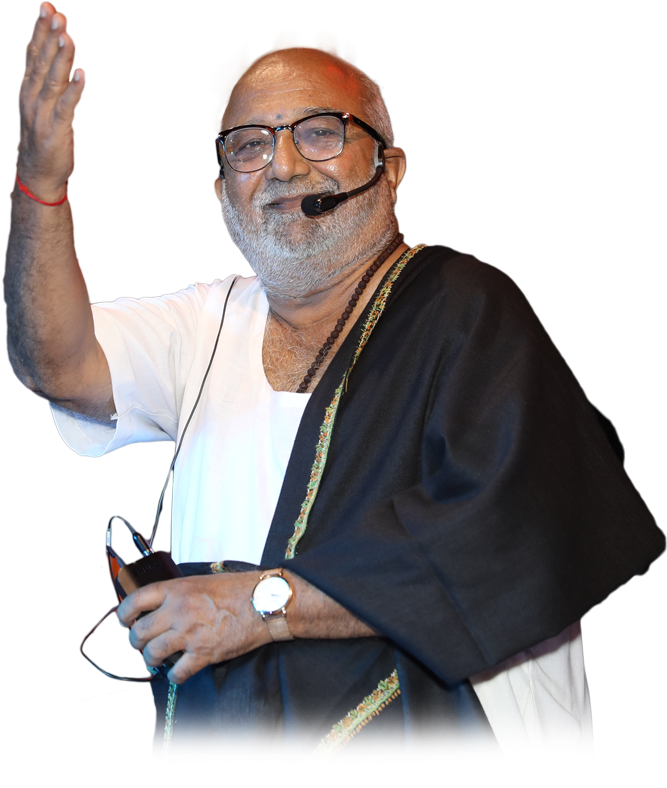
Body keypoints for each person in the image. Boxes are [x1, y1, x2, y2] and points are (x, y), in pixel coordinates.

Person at [5, 5, 665, 765]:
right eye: (248, 146)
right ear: (222, 191)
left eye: (320, 132)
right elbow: (52, 363)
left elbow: (524, 525)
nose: (283, 166)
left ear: (391, 167)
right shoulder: (204, 322)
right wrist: (40, 183)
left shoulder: (465, 305)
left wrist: (261, 605)